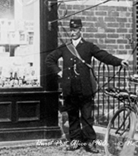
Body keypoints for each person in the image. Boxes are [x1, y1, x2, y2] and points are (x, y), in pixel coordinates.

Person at [46, 18, 129, 154]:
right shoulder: (65, 47)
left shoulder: (88, 46)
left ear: (81, 30)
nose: (73, 33)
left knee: (87, 117)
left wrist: (119, 61)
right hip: (70, 88)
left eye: (76, 30)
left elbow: (103, 56)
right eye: (71, 30)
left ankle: (90, 143)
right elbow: (50, 59)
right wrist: (59, 72)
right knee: (72, 116)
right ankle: (75, 141)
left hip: (85, 89)